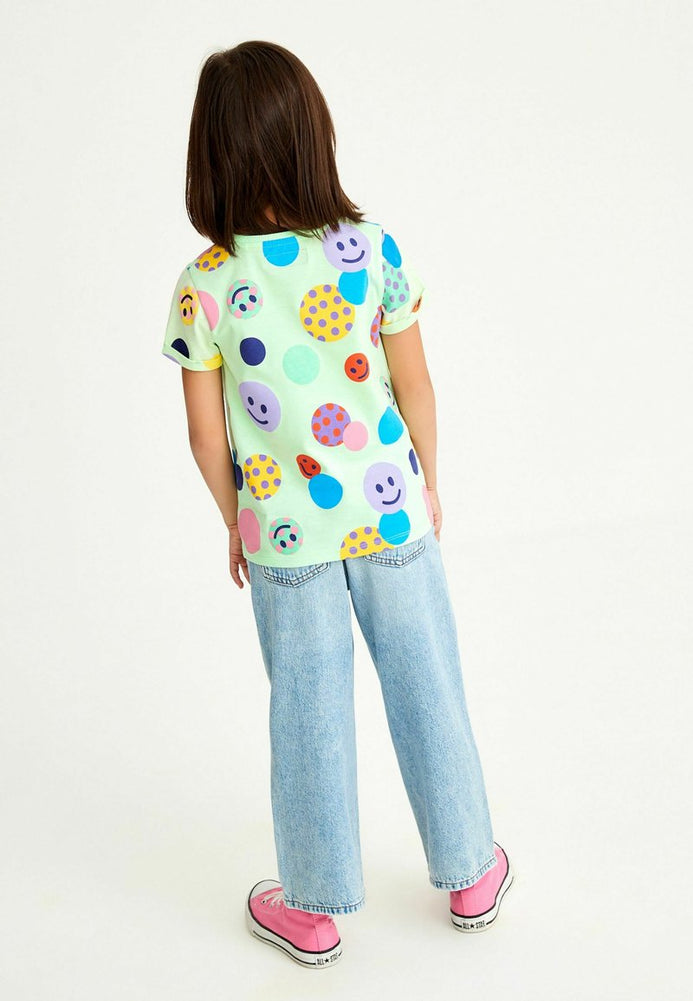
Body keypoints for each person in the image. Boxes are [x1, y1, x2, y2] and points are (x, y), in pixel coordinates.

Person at [161, 39, 513, 970]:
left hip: (285, 536)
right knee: (427, 679)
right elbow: (416, 386)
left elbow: (204, 437)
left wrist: (234, 517)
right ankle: (471, 871)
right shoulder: (370, 250)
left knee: (307, 709)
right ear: (311, 138)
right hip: (391, 513)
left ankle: (312, 908)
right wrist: (426, 480)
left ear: (211, 156)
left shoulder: (206, 284)